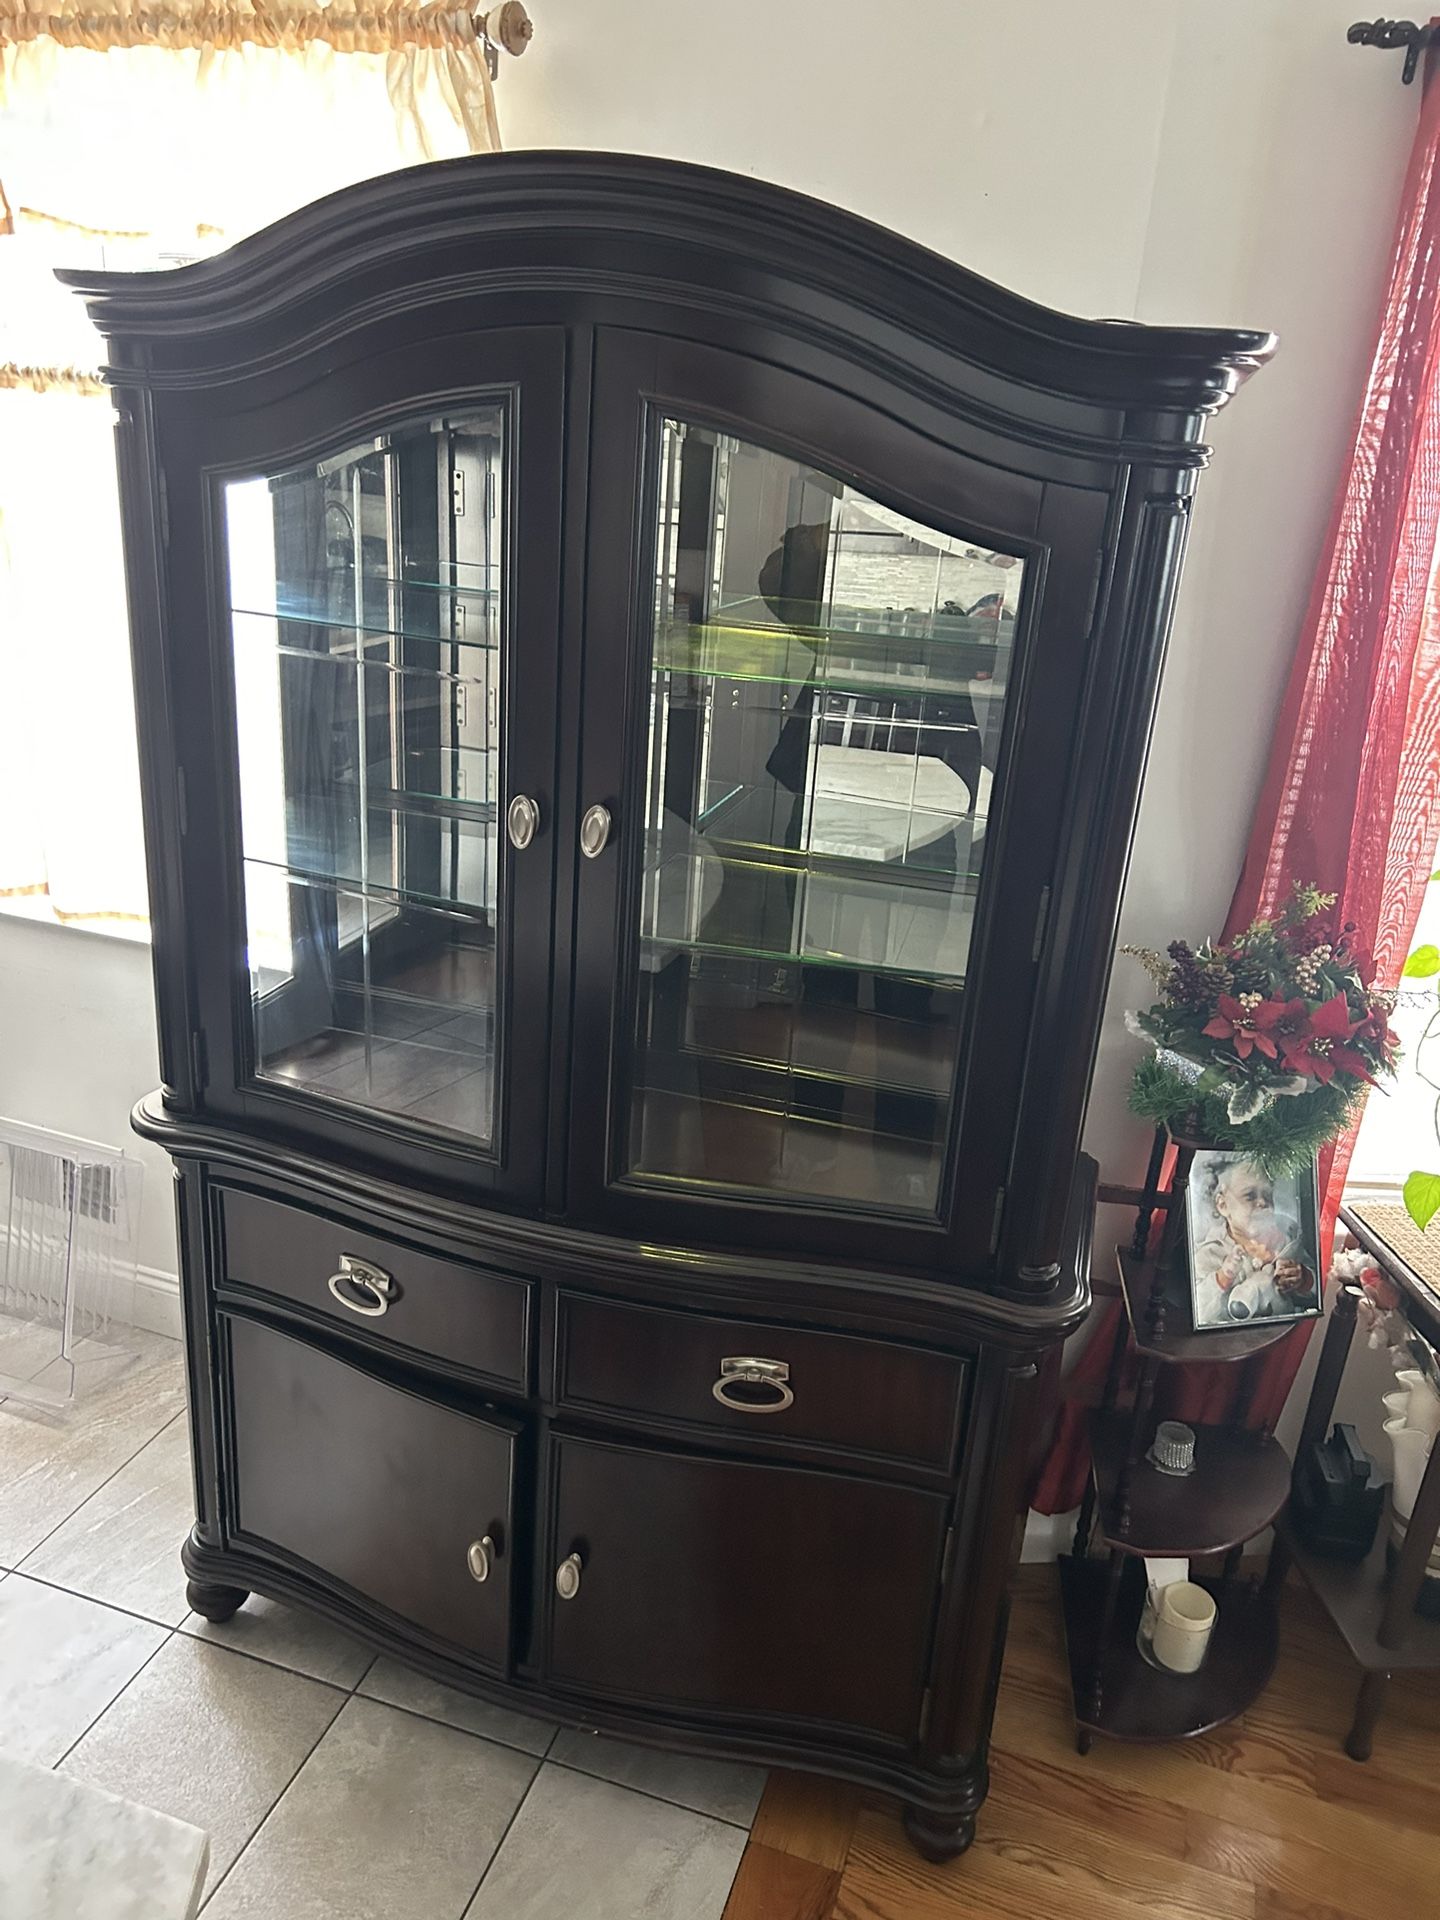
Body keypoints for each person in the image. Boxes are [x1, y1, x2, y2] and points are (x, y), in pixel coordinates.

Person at [1190, 1155, 1318, 1327]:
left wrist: (1302, 1279)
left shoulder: (1285, 1241)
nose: (1262, 1203)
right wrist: (1222, 1278)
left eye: (1267, 1194)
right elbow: (1201, 1309)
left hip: (1278, 1334)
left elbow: (1312, 1294)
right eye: (1250, 1196)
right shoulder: (1210, 1252)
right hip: (1226, 1341)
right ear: (1222, 1205)